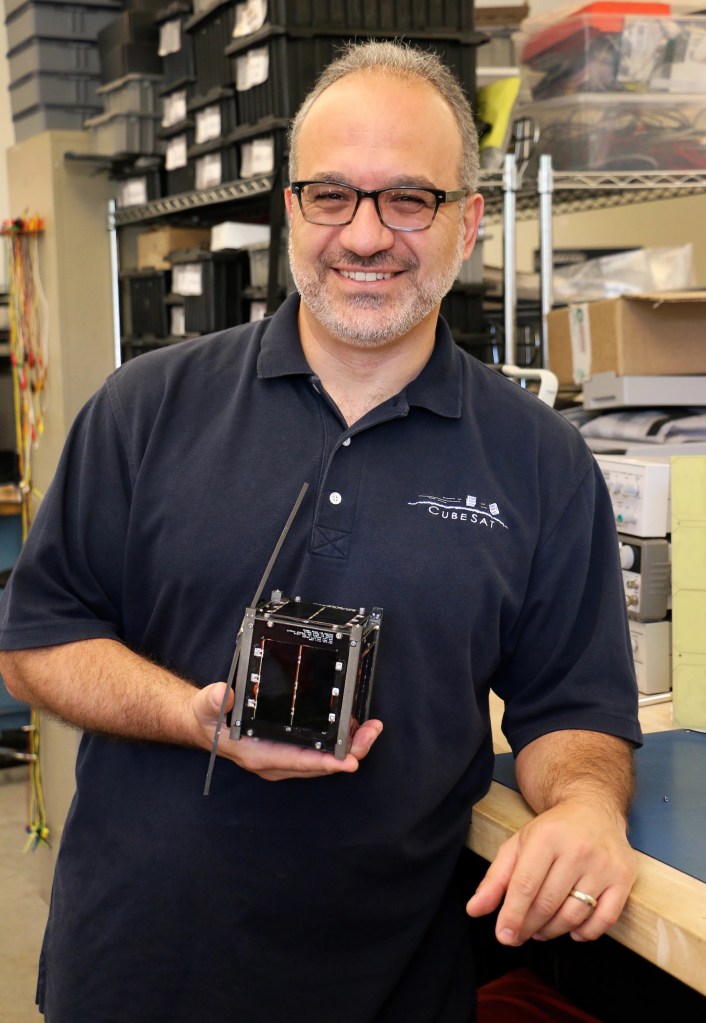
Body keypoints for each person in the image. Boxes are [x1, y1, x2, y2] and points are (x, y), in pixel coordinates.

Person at [0, 40, 641, 1023]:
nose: (365, 234)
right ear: (290, 209)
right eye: (331, 196)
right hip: (135, 972)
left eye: (407, 200)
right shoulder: (144, 408)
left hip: (387, 982)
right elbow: (38, 642)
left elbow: (574, 706)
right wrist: (191, 715)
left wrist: (590, 804)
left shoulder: (540, 461)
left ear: (466, 223)